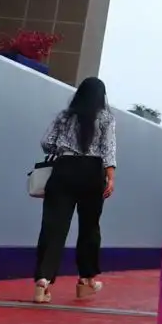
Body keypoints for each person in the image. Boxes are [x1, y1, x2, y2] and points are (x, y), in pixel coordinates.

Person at [32, 77, 118, 303]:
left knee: (53, 226)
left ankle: (43, 280)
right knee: (89, 227)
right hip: (92, 172)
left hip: (64, 169)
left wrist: (64, 148)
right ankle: (86, 280)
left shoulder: (64, 116)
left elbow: (46, 142)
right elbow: (108, 149)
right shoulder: (106, 118)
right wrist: (110, 176)